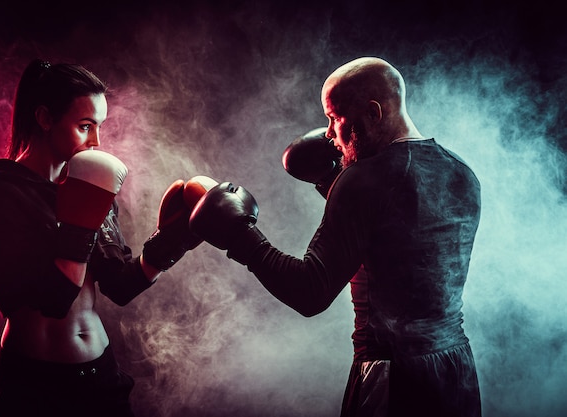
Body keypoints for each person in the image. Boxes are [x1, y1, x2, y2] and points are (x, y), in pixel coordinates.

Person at [190, 57, 482, 417]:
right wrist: (332, 185)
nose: (328, 133)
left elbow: (310, 292)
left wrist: (241, 237)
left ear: (373, 114)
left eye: (335, 117)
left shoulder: (363, 181)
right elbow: (400, 244)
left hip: (392, 375)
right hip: (457, 372)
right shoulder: (462, 172)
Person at [0, 59, 216, 417]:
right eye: (85, 126)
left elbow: (121, 286)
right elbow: (55, 299)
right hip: (34, 386)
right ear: (45, 118)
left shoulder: (88, 184)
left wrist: (177, 237)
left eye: (99, 127)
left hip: (101, 377)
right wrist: (81, 220)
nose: (96, 142)